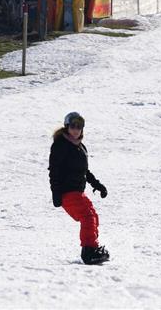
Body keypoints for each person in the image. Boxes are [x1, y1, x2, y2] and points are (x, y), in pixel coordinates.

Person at [49, 112, 110, 265]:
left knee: (93, 216)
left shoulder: (81, 147)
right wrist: (55, 193)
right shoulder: (60, 145)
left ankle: (93, 247)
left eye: (79, 127)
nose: (76, 130)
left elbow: (85, 171)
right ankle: (88, 251)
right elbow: (54, 170)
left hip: (77, 192)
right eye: (73, 126)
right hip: (66, 192)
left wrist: (98, 185)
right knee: (87, 217)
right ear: (67, 127)